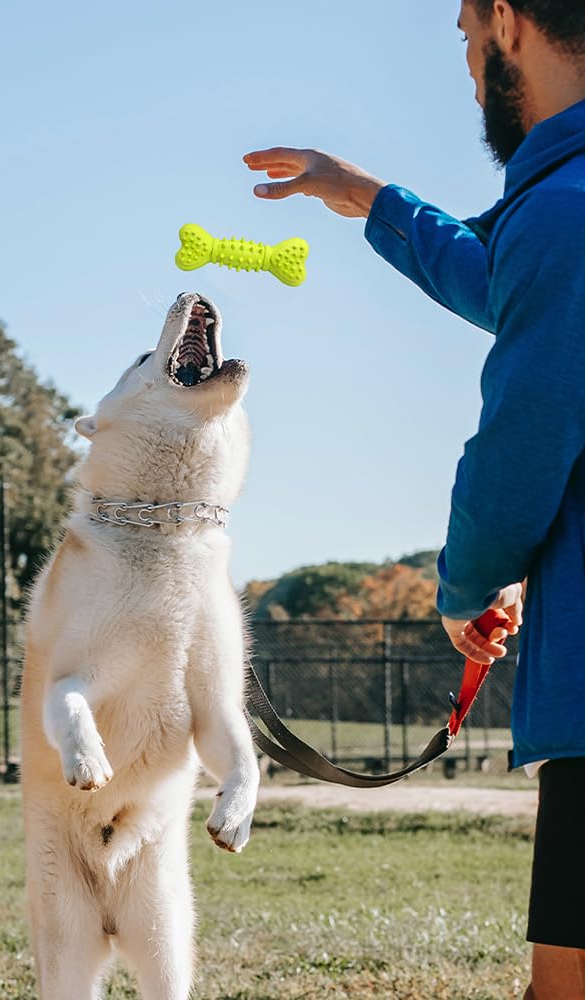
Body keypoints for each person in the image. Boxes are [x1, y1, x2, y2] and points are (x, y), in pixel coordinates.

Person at [243, 2, 585, 998]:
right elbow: (500, 273)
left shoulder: (566, 212)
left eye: (462, 36)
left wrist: (466, 582)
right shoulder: (557, 207)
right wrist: (365, 196)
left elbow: (520, 448)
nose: (466, 66)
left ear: (505, 23)